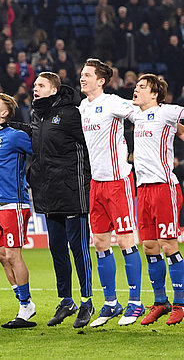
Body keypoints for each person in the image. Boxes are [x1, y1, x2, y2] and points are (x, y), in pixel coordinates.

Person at [78, 59, 144, 327]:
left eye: (87, 75)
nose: (82, 78)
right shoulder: (83, 107)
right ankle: (110, 304)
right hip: (97, 184)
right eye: (82, 74)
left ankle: (136, 303)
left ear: (101, 80)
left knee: (126, 240)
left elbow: (140, 115)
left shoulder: (114, 102)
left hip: (118, 181)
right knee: (101, 243)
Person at [29, 72, 94, 328]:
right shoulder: (38, 116)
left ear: (54, 90)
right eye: (35, 85)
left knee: (78, 249)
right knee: (57, 248)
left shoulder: (72, 114)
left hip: (72, 191)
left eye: (41, 85)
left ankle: (87, 301)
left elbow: (90, 146)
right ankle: (66, 301)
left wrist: (86, 180)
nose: (35, 88)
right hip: (48, 193)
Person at [131, 74, 184, 326]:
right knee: (149, 246)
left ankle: (181, 302)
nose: (136, 89)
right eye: (136, 85)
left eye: (142, 87)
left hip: (164, 187)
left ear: (154, 94)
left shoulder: (166, 112)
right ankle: (161, 302)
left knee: (168, 244)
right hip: (142, 190)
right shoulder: (135, 115)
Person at [0, 93, 34, 328]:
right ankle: (22, 300)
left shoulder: (15, 137)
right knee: (2, 256)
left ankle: (26, 305)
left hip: (14, 203)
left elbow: (39, 150)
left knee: (14, 255)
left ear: (5, 113)